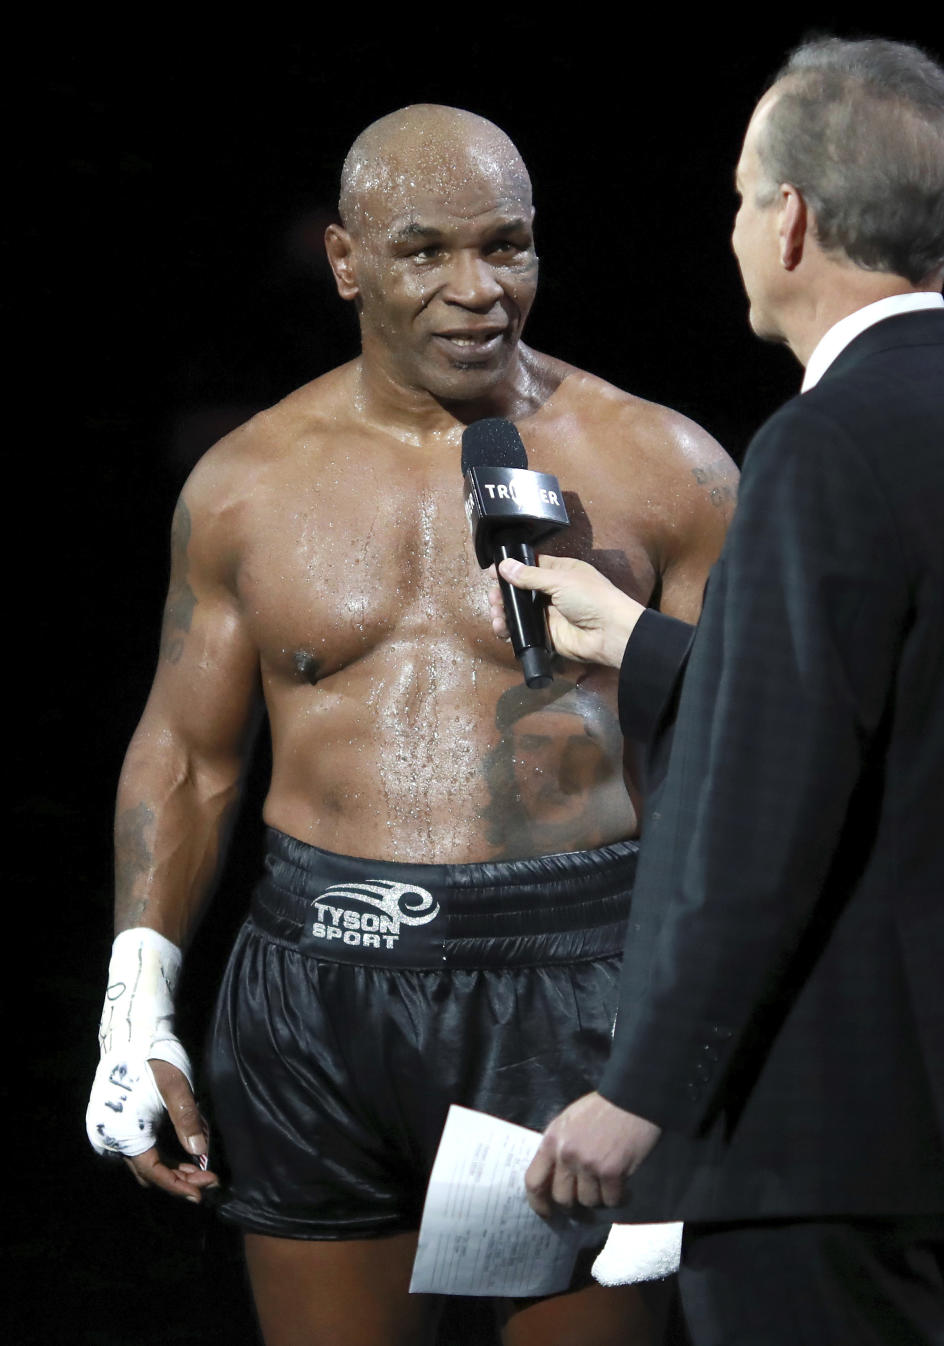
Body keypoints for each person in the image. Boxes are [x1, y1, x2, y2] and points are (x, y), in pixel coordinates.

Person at [84, 103, 737, 1346]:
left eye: (509, 246)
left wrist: (713, 1034)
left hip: (575, 980)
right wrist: (135, 1000)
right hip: (316, 989)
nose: (478, 289)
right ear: (346, 262)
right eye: (427, 250)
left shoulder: (666, 466)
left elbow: (769, 749)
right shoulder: (247, 483)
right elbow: (190, 752)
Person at [493, 36, 944, 1346]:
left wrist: (645, 1087)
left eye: (745, 193)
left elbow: (773, 808)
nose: (739, 222)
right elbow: (900, 721)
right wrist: (647, 645)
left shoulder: (822, 443)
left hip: (830, 1140)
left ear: (794, 219)